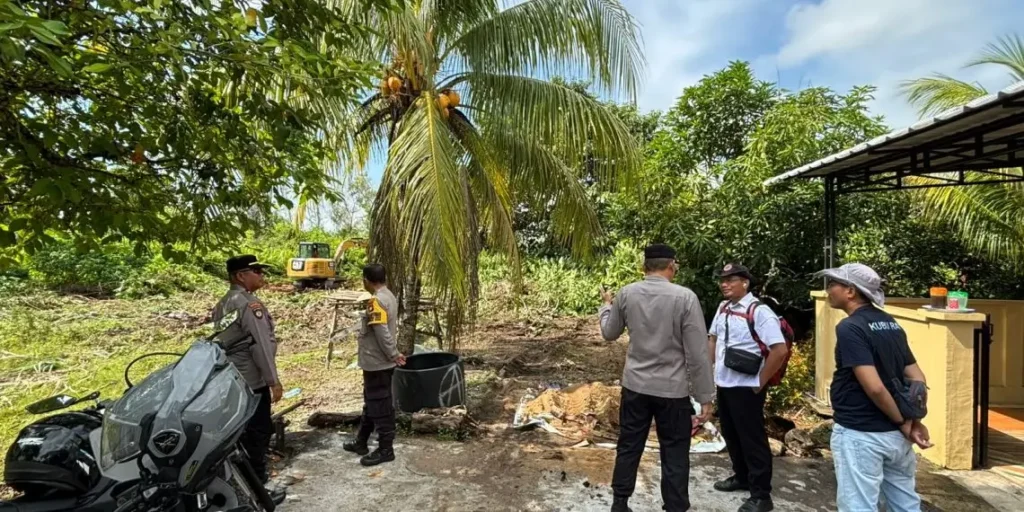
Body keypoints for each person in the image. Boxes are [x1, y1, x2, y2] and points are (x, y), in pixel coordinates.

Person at [599, 244, 715, 512]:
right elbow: (697, 353)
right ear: (672, 265)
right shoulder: (685, 298)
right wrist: (705, 396)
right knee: (674, 450)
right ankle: (675, 506)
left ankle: (620, 502)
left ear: (644, 268)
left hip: (635, 386)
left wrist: (606, 307)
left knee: (629, 443)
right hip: (672, 390)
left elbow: (609, 333)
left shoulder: (627, 294)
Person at [818, 263, 932, 512]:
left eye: (833, 285)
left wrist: (903, 421)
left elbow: (875, 388)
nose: (828, 291)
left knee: (858, 505)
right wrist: (913, 419)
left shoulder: (850, 328)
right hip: (896, 439)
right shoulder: (890, 323)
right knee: (905, 503)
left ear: (850, 291)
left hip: (862, 433)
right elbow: (918, 378)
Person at [708, 263, 789, 512]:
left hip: (747, 386)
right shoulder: (723, 308)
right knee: (731, 434)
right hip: (725, 383)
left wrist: (760, 381)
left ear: (745, 283)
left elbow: (779, 350)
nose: (725, 284)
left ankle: (761, 495)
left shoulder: (760, 312)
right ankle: (741, 477)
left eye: (731, 280)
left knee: (752, 439)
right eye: (723, 280)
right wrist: (710, 370)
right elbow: (713, 338)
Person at [210, 254, 285, 503]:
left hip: (232, 378)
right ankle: (259, 489)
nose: (261, 276)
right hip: (253, 380)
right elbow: (260, 346)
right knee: (258, 432)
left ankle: (242, 485)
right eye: (257, 272)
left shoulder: (223, 304)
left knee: (240, 433)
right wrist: (273, 380)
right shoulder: (249, 305)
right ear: (241, 276)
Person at [343, 263, 406, 466]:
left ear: (366, 280)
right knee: (372, 402)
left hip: (378, 362)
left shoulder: (376, 301)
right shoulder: (390, 296)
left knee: (380, 404)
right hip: (378, 362)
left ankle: (386, 449)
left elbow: (382, 332)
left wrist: (393, 354)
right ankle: (361, 441)